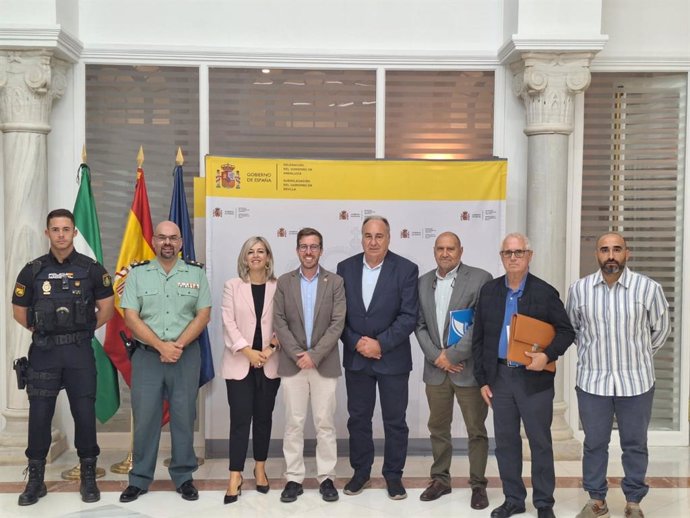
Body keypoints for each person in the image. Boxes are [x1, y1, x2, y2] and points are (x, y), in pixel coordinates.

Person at [12, 208, 114, 507]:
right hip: (44, 353)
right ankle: (35, 481)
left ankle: (88, 477)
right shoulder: (32, 270)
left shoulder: (92, 269)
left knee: (84, 414)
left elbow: (106, 309)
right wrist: (45, 330)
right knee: (40, 416)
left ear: (74, 233)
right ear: (47, 233)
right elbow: (20, 312)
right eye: (55, 229)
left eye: (66, 229)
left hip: (79, 352)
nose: (60, 234)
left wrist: (78, 331)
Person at [472, 233, 575, 518]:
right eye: (508, 253)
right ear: (501, 256)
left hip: (535, 380)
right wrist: (483, 380)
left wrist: (547, 355)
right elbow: (479, 338)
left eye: (519, 252)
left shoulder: (544, 292)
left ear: (529, 256)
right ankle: (513, 499)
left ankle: (544, 504)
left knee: (540, 442)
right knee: (505, 443)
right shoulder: (490, 291)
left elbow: (567, 331)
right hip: (500, 378)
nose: (513, 258)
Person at [567, 233, 670, 518]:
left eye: (616, 249)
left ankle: (634, 502)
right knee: (594, 443)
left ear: (627, 253)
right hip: (592, 382)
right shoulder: (579, 290)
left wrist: (637, 356)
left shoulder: (648, 289)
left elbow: (660, 331)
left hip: (636, 382)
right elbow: (574, 331)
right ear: (596, 254)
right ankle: (597, 500)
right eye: (604, 250)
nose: (610, 255)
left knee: (635, 444)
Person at [118, 221, 211, 503]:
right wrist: (161, 346)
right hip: (147, 356)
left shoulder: (196, 273)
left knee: (184, 417)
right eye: (162, 237)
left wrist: (177, 346)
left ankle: (184, 477)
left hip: (185, 355)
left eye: (173, 238)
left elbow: (203, 314)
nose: (167, 242)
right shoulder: (137, 275)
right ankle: (140, 479)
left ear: (181, 243)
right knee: (145, 417)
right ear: (154, 241)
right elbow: (130, 316)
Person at [337, 215, 419, 500]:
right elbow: (338, 316)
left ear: (389, 238)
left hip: (392, 359)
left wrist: (379, 344)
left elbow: (409, 316)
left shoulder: (407, 269)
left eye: (379, 236)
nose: (373, 241)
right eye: (368, 236)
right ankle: (361, 473)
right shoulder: (344, 268)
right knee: (358, 419)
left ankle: (394, 476)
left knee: (395, 421)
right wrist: (357, 342)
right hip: (357, 358)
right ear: (362, 237)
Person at [415, 232, 491, 508]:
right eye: (440, 248)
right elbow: (419, 325)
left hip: (467, 370)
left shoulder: (480, 279)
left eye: (451, 248)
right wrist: (438, 357)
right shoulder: (423, 282)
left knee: (476, 429)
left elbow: (480, 324)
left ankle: (478, 485)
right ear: (434, 251)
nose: (445, 253)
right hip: (436, 370)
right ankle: (440, 480)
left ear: (461, 250)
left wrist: (454, 355)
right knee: (437, 427)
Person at [273, 228, 346, 503]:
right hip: (293, 365)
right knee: (294, 423)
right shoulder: (284, 282)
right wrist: (297, 354)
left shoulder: (335, 282)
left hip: (323, 364)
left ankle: (327, 477)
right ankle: (294, 478)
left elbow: (337, 323)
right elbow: (279, 321)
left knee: (325, 423)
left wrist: (314, 355)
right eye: (303, 246)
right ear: (296, 250)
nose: (308, 251)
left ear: (321, 250)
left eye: (314, 246)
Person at [220, 236, 281, 504]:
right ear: (244, 258)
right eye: (250, 252)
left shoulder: (280, 287)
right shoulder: (232, 286)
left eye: (261, 251)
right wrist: (248, 351)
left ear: (268, 257)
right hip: (239, 362)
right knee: (240, 420)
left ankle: (259, 467)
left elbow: (286, 322)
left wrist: (268, 350)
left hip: (270, 362)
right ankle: (235, 474)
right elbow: (228, 322)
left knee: (264, 418)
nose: (255, 256)